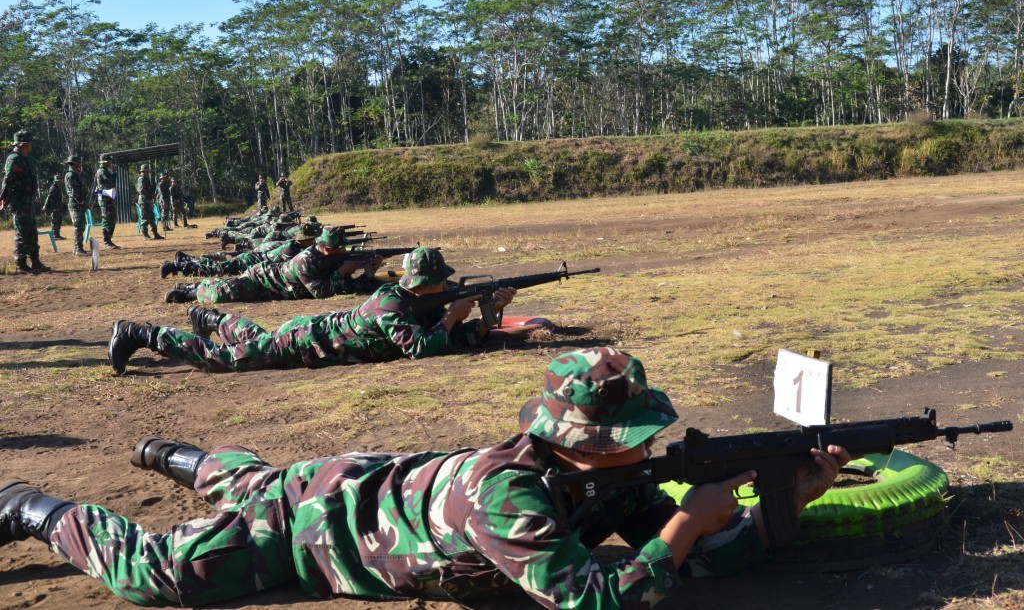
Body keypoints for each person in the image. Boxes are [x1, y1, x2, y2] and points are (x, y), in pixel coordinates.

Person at [0, 346, 850, 607]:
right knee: (161, 576)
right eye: (629, 435)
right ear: (578, 443)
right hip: (323, 529)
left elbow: (695, 563)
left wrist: (786, 502)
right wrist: (686, 522)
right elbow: (598, 598)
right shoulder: (507, 495)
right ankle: (33, 508)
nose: (646, 444)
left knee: (256, 477)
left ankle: (178, 457)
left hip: (361, 480)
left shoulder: (606, 481)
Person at [108, 246, 515, 374]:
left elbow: (446, 336)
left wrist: (485, 320)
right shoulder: (391, 305)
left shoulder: (413, 300)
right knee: (227, 361)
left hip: (308, 333)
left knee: (257, 341)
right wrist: (453, 315)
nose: (447, 285)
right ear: (424, 283)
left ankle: (213, 319)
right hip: (306, 343)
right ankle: (140, 334)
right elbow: (422, 348)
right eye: (442, 281)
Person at [161, 225, 381, 304]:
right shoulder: (306, 260)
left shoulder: (332, 257)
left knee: (225, 274)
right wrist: (342, 271)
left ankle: (192, 280)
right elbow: (321, 292)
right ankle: (190, 291)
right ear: (326, 247)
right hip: (264, 280)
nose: (343, 251)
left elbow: (347, 287)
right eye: (339, 248)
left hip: (278, 286)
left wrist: (371, 271)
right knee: (222, 293)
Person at [160, 220, 322, 278]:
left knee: (221, 261)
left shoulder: (295, 245)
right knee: (218, 267)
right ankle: (178, 265)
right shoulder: (292, 249)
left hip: (254, 259)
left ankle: (185, 260)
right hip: (251, 262)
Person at [0, 130, 51, 273]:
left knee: (31, 232)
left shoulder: (23, 158)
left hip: (26, 201)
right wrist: (3, 197)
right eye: (29, 143)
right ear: (23, 144)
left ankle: (35, 262)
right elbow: (9, 179)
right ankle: (21, 265)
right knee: (22, 232)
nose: (31, 145)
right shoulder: (14, 159)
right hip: (19, 202)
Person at [64, 156, 90, 256]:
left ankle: (78, 248)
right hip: (76, 204)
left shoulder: (76, 174)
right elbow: (74, 193)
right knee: (78, 227)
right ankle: (78, 249)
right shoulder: (71, 175)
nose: (80, 164)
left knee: (81, 226)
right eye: (79, 162)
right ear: (74, 164)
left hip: (79, 204)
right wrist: (84, 203)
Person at [95, 155, 120, 249]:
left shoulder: (106, 171)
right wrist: (114, 174)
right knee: (106, 219)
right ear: (105, 162)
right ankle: (106, 242)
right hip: (104, 199)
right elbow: (111, 182)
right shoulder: (102, 171)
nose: (111, 163)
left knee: (112, 219)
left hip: (108, 197)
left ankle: (109, 240)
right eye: (110, 161)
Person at [135, 164, 163, 240]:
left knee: (151, 217)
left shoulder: (146, 178)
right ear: (145, 171)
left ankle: (155, 234)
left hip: (148, 200)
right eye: (148, 171)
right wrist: (150, 194)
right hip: (144, 201)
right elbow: (141, 190)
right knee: (145, 218)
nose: (148, 172)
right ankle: (145, 234)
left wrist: (152, 194)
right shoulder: (141, 179)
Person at [43, 174, 66, 240]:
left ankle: (57, 235)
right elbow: (49, 197)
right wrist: (45, 206)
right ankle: (54, 235)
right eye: (59, 181)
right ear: (55, 181)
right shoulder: (53, 188)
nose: (60, 182)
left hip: (57, 207)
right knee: (55, 221)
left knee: (59, 220)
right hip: (54, 208)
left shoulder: (57, 187)